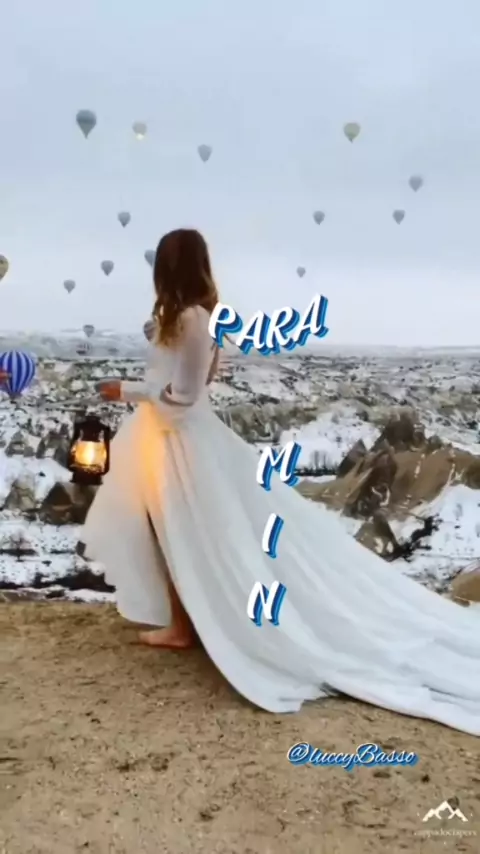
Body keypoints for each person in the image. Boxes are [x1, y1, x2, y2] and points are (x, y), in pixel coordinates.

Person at [83, 228, 480, 736]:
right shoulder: (191, 317)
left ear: (168, 267)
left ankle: (189, 626)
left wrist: (127, 390)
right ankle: (186, 623)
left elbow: (185, 394)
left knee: (190, 532)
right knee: (174, 531)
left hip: (185, 442)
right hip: (172, 439)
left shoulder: (193, 319)